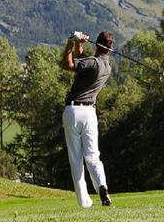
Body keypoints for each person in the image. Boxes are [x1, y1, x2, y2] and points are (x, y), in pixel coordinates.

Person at [60, 30, 114, 207]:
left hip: (73, 111)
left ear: (97, 45)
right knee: (93, 156)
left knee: (76, 159)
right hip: (90, 113)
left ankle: (84, 202)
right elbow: (85, 62)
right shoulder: (106, 67)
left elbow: (67, 65)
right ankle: (102, 186)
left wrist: (70, 43)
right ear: (110, 49)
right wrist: (79, 44)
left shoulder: (92, 62)